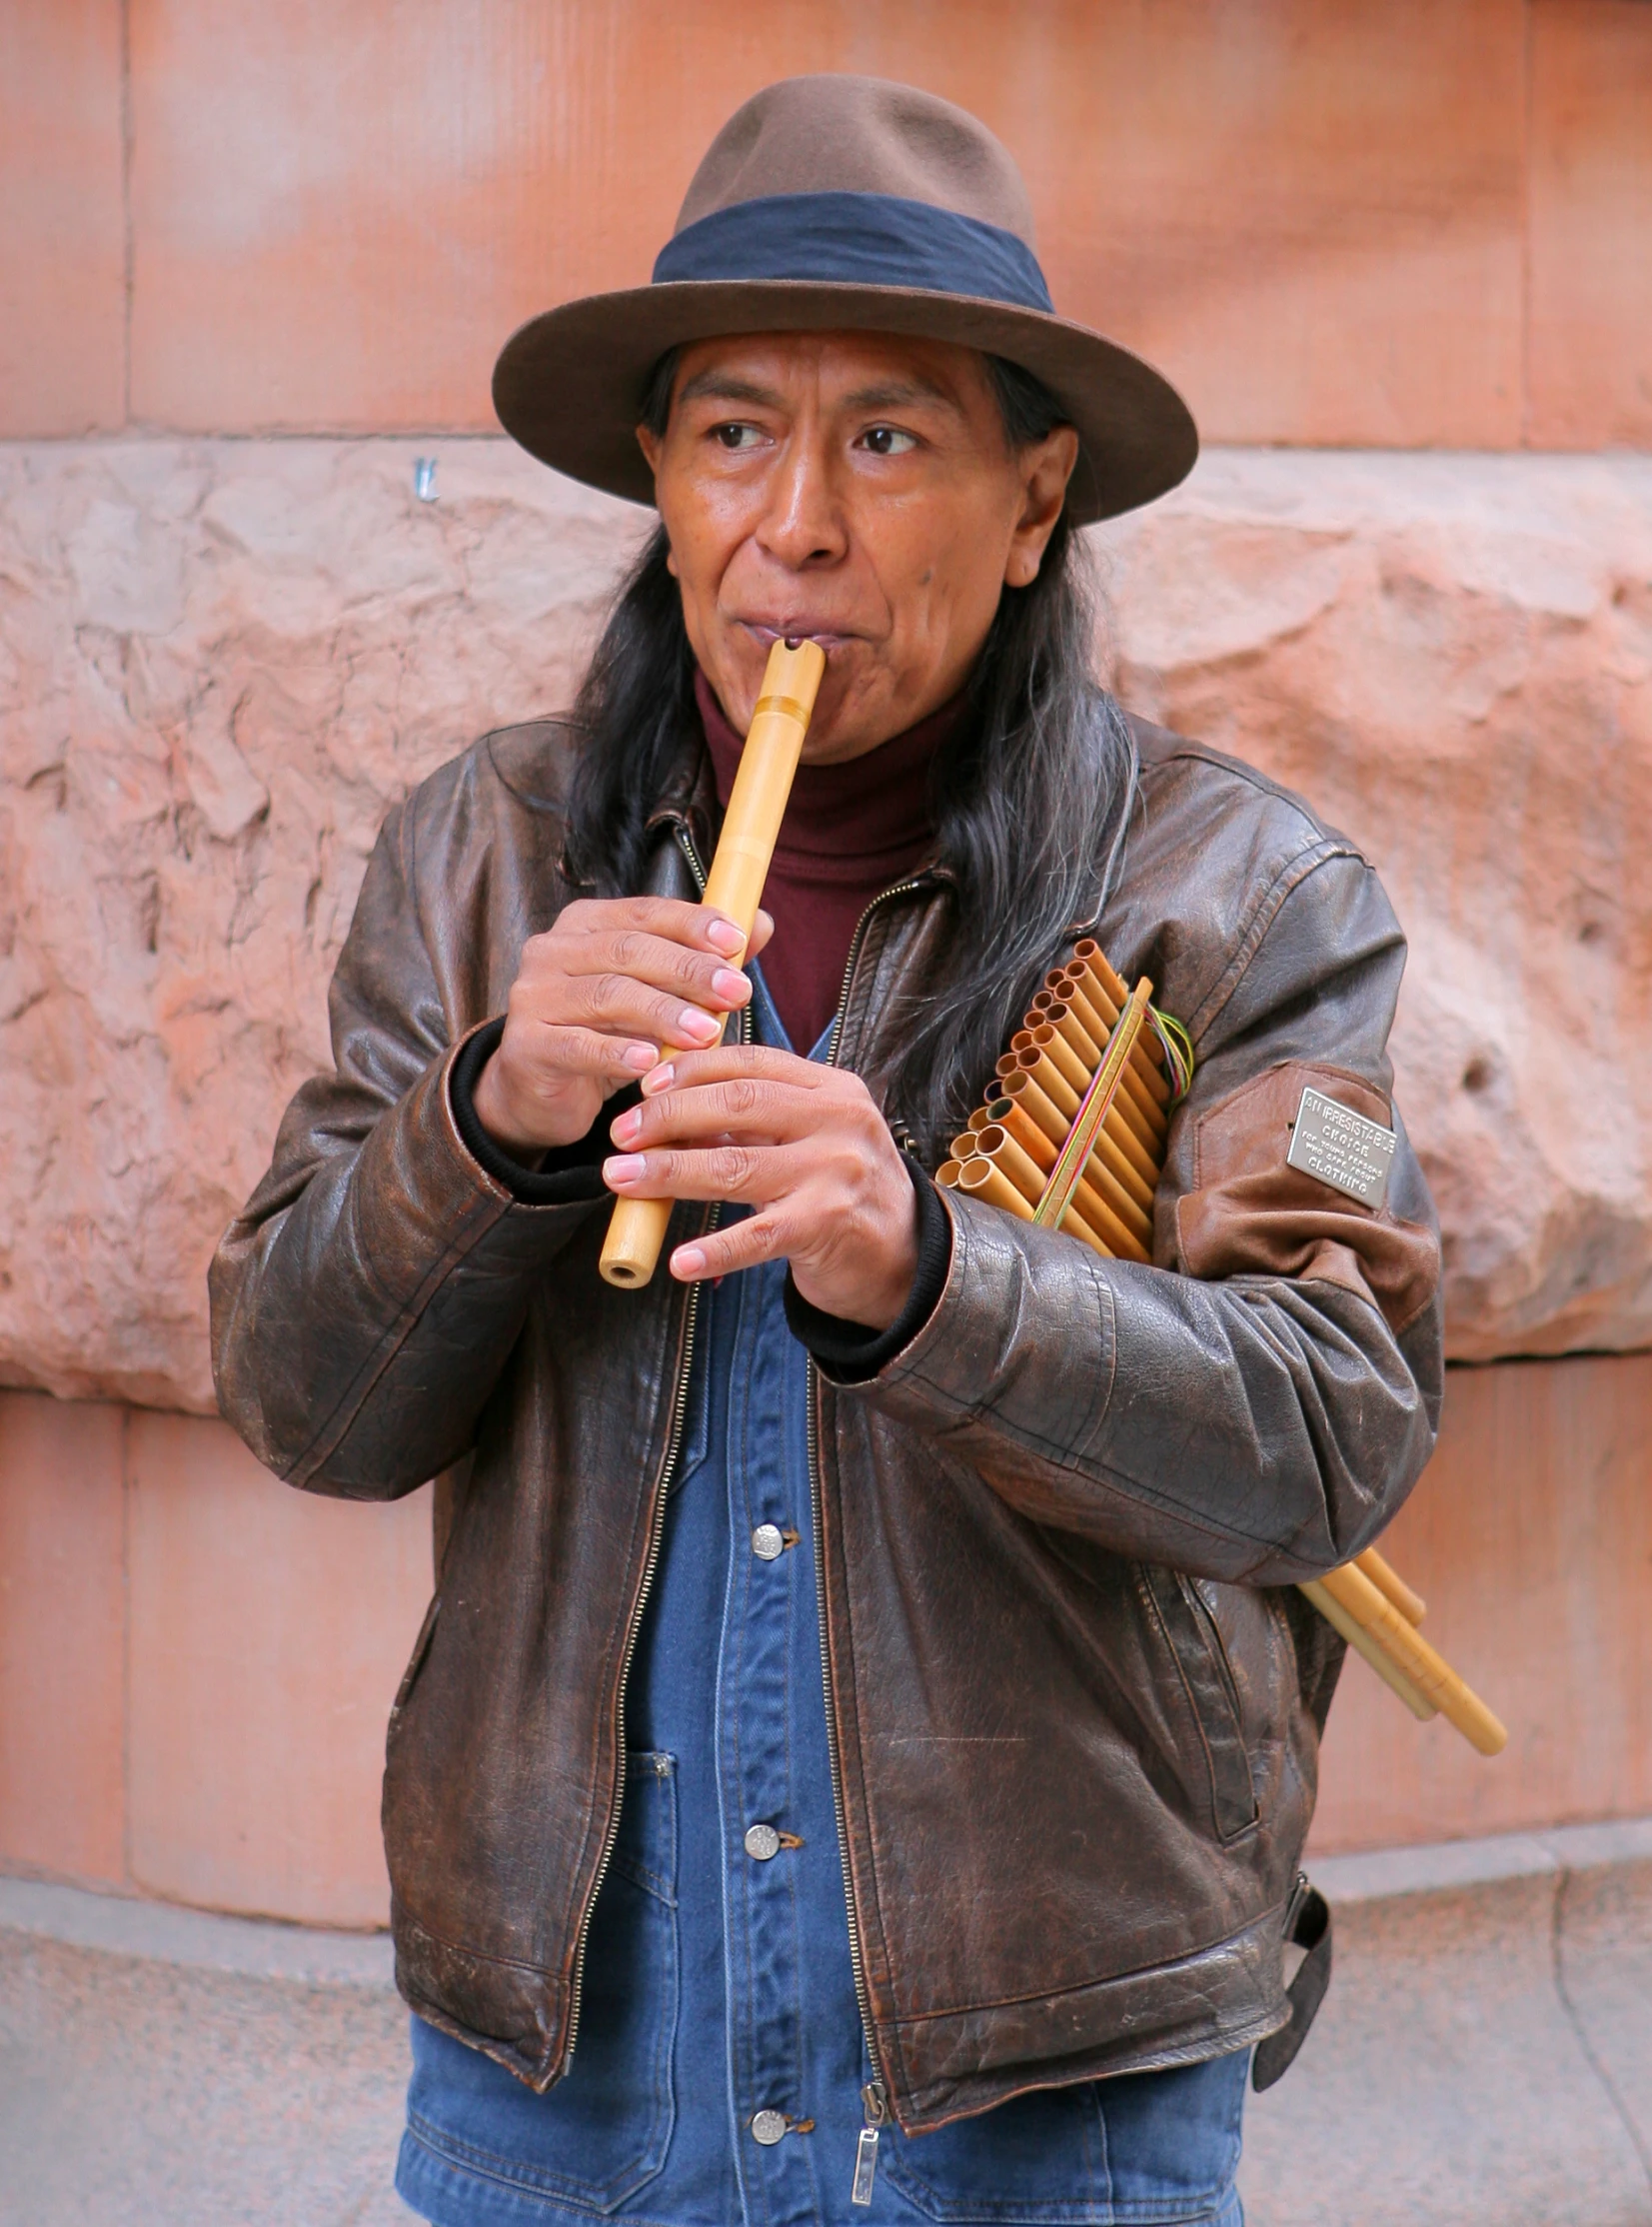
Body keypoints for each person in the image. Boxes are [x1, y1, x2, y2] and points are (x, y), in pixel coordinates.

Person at [211, 74, 1443, 2227]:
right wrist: (486, 1128)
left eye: (886, 438)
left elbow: (1333, 1429)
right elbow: (303, 1401)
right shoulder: (483, 857)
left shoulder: (1242, 890)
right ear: (661, 488)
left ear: (1034, 496)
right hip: (565, 2049)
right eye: (728, 437)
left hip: (1043, 2061)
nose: (795, 525)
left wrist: (937, 1273)